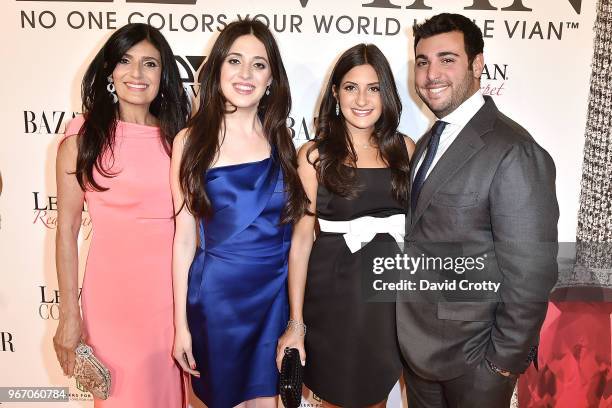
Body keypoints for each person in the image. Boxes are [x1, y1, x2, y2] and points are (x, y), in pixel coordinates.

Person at [396, 13, 559, 407]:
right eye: (423, 61)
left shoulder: (513, 150)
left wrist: (501, 365)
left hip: (476, 363)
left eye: (447, 59)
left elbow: (531, 273)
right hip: (419, 352)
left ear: (477, 64)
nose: (432, 73)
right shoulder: (430, 140)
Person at [170, 19, 308, 408]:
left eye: (259, 64)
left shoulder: (281, 140)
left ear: (271, 79)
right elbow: (183, 238)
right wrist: (180, 325)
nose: (246, 74)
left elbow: (298, 236)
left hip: (272, 302)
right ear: (217, 69)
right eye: (235, 60)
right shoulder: (191, 140)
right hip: (216, 302)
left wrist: (294, 320)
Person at [53, 23, 190, 407]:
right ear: (110, 70)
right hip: (112, 299)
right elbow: (66, 231)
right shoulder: (82, 138)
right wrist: (69, 315)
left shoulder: (180, 137)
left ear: (163, 76)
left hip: (173, 297)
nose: (137, 73)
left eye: (150, 63)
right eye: (126, 61)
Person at [276, 43, 414, 407]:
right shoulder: (314, 155)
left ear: (387, 94)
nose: (363, 98)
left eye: (374, 87)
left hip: (389, 304)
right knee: (337, 394)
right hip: (334, 298)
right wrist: (296, 322)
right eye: (351, 87)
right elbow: (303, 238)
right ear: (335, 93)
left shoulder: (405, 149)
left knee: (376, 395)